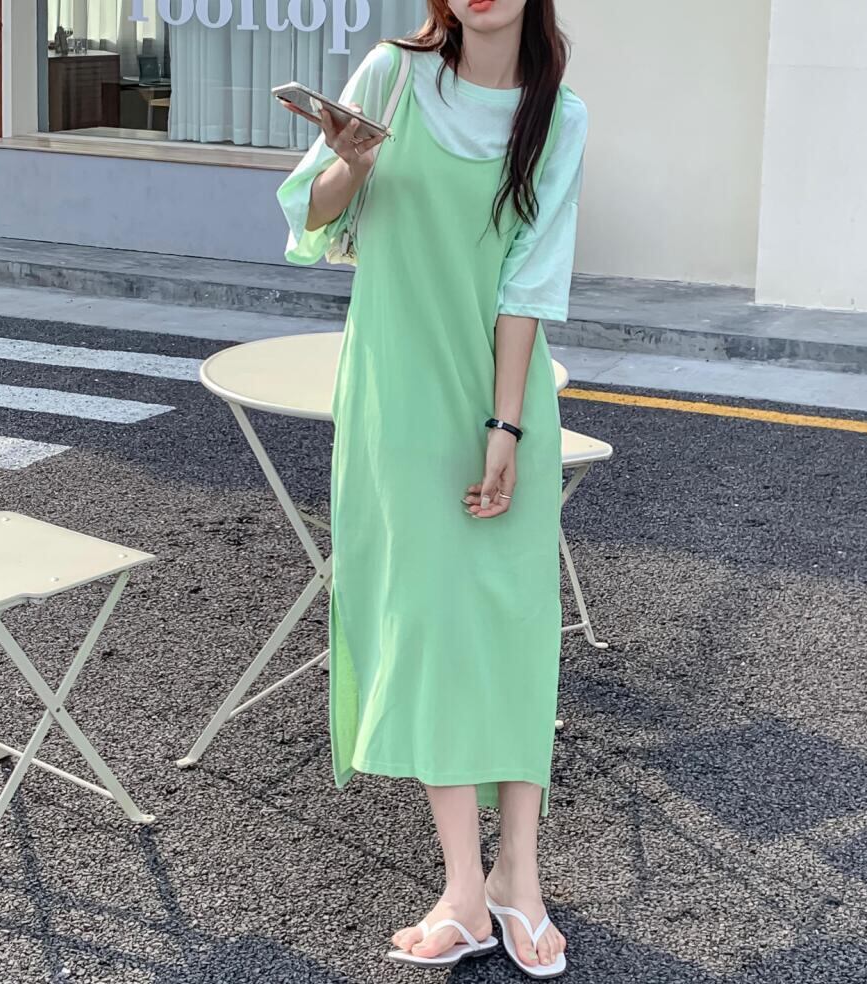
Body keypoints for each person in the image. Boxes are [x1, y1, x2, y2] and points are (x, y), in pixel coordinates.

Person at [276, 0, 587, 976]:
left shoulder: (559, 117)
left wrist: (505, 425)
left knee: (514, 624)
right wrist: (352, 161)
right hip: (400, 402)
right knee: (430, 625)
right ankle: (463, 888)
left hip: (501, 405)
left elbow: (528, 283)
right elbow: (311, 217)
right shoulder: (390, 76)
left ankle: (518, 877)